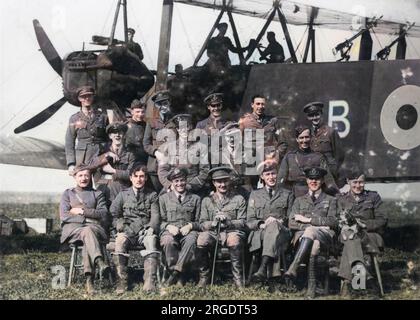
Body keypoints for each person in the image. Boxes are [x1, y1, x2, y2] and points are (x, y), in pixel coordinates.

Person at [284, 167, 338, 299]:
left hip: (326, 237)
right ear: (307, 181)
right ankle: (312, 287)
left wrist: (307, 220)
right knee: (314, 244)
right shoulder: (299, 200)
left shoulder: (331, 200)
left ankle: (294, 268)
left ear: (322, 180)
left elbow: (333, 222)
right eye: (311, 179)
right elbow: (291, 223)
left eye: (317, 179)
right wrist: (318, 224)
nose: (314, 181)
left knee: (311, 231)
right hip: (303, 238)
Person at [59, 164, 110, 295]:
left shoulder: (97, 194)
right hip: (73, 231)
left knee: (88, 234)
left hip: (94, 230)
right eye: (80, 175)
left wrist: (81, 211)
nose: (83, 178)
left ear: (91, 177)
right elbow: (64, 215)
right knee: (88, 232)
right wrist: (86, 219)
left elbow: (103, 213)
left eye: (86, 175)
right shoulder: (68, 193)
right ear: (75, 177)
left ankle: (90, 281)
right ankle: (99, 262)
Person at [110, 164, 160, 294]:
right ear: (131, 178)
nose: (139, 179)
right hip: (128, 231)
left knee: (151, 240)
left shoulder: (152, 195)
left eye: (142, 176)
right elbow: (113, 214)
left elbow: (155, 216)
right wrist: (119, 224)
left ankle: (149, 284)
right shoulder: (123, 195)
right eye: (136, 176)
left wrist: (151, 228)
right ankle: (121, 282)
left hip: (144, 231)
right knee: (120, 241)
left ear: (146, 178)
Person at [337, 170, 387, 296]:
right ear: (348, 182)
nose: (358, 185)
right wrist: (342, 226)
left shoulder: (373, 197)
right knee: (350, 237)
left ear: (365, 182)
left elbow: (383, 220)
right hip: (347, 235)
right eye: (355, 182)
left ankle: (349, 284)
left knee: (351, 241)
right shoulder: (342, 199)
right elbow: (336, 220)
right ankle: (366, 280)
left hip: (370, 236)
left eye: (361, 182)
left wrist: (364, 225)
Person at [196, 167, 247, 288]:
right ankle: (204, 276)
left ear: (230, 181)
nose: (222, 184)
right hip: (213, 232)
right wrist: (213, 222)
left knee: (234, 239)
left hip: (232, 231)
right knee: (202, 239)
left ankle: (237, 278)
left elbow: (243, 222)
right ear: (214, 183)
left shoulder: (238, 199)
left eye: (225, 181)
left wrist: (228, 222)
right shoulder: (207, 201)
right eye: (219, 182)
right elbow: (202, 223)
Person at [247, 160, 294, 285]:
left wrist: (278, 221)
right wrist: (262, 224)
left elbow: (291, 218)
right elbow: (249, 221)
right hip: (260, 233)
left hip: (282, 233)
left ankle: (262, 269)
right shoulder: (255, 194)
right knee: (272, 232)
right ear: (262, 177)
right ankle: (273, 278)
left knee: (274, 227)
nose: (271, 177)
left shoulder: (287, 194)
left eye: (273, 174)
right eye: (267, 174)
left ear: (277, 174)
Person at [159, 167, 201, 286]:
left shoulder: (196, 199)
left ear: (186, 181)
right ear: (172, 183)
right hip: (170, 231)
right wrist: (168, 226)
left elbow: (200, 222)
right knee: (167, 241)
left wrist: (190, 225)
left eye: (182, 180)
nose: (179, 184)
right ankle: (175, 272)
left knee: (191, 240)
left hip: (188, 231)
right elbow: (160, 222)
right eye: (176, 181)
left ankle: (176, 274)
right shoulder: (163, 199)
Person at [239, 94, 288, 188]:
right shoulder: (245, 122)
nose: (260, 107)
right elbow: (238, 144)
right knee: (249, 191)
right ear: (252, 105)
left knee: (271, 190)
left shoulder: (273, 121)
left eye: (263, 104)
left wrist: (276, 158)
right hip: (251, 164)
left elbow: (283, 143)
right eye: (258, 104)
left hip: (269, 164)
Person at [278, 124, 338, 197]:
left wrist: (337, 194)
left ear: (311, 138)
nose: (304, 140)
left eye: (307, 137)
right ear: (297, 139)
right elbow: (280, 180)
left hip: (314, 193)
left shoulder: (318, 157)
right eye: (301, 138)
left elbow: (328, 179)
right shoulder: (289, 157)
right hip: (295, 194)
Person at [157, 114, 210, 195]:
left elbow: (204, 171)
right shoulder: (169, 147)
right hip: (174, 185)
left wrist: (190, 186)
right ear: (177, 129)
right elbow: (162, 170)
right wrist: (169, 185)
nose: (184, 130)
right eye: (181, 128)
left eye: (187, 126)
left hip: (194, 187)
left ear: (191, 127)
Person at [88, 122, 136, 207]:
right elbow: (91, 165)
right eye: (114, 133)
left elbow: (131, 174)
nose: (117, 135)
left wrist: (113, 171)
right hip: (104, 188)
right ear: (110, 136)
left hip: (122, 188)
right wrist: (106, 154)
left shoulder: (130, 154)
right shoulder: (102, 150)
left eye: (120, 132)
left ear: (124, 135)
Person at [65, 86, 108, 175]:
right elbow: (69, 142)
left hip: (100, 156)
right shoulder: (74, 118)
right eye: (83, 96)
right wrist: (71, 163)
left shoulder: (103, 117)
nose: (87, 98)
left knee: (102, 185)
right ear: (79, 99)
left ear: (93, 97)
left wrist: (108, 154)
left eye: (89, 96)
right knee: (84, 183)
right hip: (82, 159)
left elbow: (108, 138)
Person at [143, 90, 175, 192]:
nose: (163, 107)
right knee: (156, 194)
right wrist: (156, 152)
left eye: (165, 103)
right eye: (159, 104)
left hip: (171, 166)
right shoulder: (151, 122)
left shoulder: (176, 121)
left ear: (169, 103)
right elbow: (146, 143)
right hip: (154, 167)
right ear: (156, 106)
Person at [303, 101, 343, 180]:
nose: (314, 118)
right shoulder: (307, 132)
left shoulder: (330, 131)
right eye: (311, 115)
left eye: (317, 114)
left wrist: (334, 170)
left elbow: (340, 154)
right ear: (308, 117)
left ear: (321, 114)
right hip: (313, 172)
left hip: (329, 171)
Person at [125, 99, 148, 165]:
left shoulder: (147, 126)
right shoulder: (126, 127)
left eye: (142, 112)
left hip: (145, 160)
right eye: (137, 112)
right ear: (132, 112)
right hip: (132, 161)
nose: (140, 114)